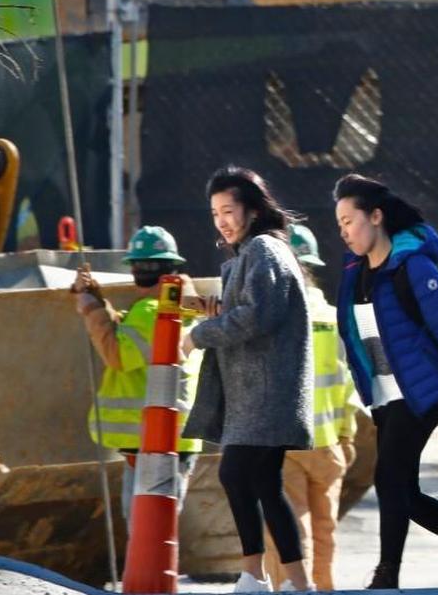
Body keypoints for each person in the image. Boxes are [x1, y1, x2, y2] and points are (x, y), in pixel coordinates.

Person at [333, 173, 438, 589]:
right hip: (385, 395)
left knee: (389, 479)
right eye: (339, 224)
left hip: (421, 390)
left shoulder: (413, 267)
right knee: (404, 491)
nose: (345, 232)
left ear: (376, 217)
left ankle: (386, 574)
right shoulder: (355, 276)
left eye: (350, 220)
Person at [181, 166, 314, 592]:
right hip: (256, 393)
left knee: (236, 475)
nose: (221, 220)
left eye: (229, 210)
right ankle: (295, 582)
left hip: (266, 393)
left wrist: (198, 334)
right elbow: (251, 310)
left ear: (253, 211)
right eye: (215, 212)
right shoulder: (246, 256)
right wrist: (213, 313)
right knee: (263, 485)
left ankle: (255, 575)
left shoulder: (262, 250)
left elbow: (258, 315)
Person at [74, 225, 202, 528]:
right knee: (156, 526)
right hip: (167, 439)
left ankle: (152, 579)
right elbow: (133, 338)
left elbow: (117, 353)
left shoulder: (151, 309)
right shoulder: (181, 305)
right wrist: (97, 299)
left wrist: (90, 306)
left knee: (147, 527)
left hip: (154, 440)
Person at [262, 224, 359, 591]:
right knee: (324, 533)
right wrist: (347, 435)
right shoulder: (333, 317)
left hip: (285, 442)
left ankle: (291, 590)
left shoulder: (273, 316)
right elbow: (349, 382)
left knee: (289, 532)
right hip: (329, 442)